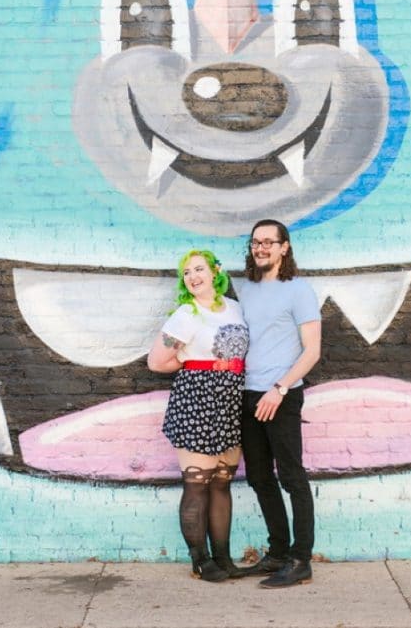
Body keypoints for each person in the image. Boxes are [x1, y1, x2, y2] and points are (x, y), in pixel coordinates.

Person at [147, 249, 250, 582]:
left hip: (231, 402)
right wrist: (192, 364)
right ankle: (200, 561)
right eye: (187, 272)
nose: (193, 277)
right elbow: (156, 362)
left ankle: (223, 558)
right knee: (197, 484)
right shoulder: (186, 314)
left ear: (215, 272)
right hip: (198, 401)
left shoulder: (234, 307)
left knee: (222, 483)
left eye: (199, 269)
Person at [237, 219, 322, 589]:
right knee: (259, 477)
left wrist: (280, 388)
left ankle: (301, 560)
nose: (261, 248)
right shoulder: (246, 289)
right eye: (256, 242)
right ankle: (277, 552)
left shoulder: (299, 290)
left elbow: (312, 351)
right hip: (249, 394)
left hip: (281, 395)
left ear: (284, 247)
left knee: (291, 477)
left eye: (269, 242)